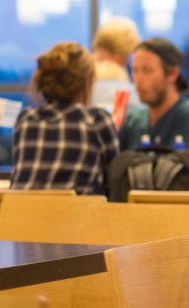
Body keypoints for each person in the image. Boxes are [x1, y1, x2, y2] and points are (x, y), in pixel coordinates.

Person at [10, 42, 119, 195]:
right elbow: (115, 183)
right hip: (77, 217)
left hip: (20, 217)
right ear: (87, 83)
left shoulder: (25, 120)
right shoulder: (97, 121)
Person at [119, 37, 189, 173]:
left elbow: (181, 178)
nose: (138, 80)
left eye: (147, 70)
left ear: (173, 74)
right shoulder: (133, 120)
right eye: (134, 70)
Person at [90, 16, 141, 113]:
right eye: (124, 55)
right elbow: (118, 122)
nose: (127, 61)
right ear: (104, 50)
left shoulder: (83, 79)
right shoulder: (118, 80)